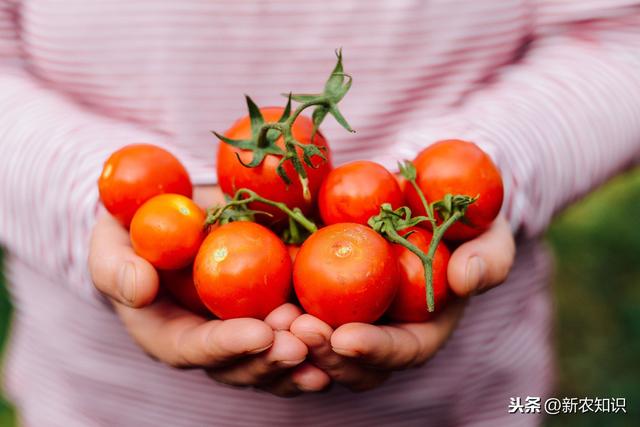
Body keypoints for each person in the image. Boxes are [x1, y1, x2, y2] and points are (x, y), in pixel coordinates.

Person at [1, 1, 639, 426]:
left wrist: (486, 169)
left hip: (457, 401)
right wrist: (94, 205)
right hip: (106, 401)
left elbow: (621, 39)